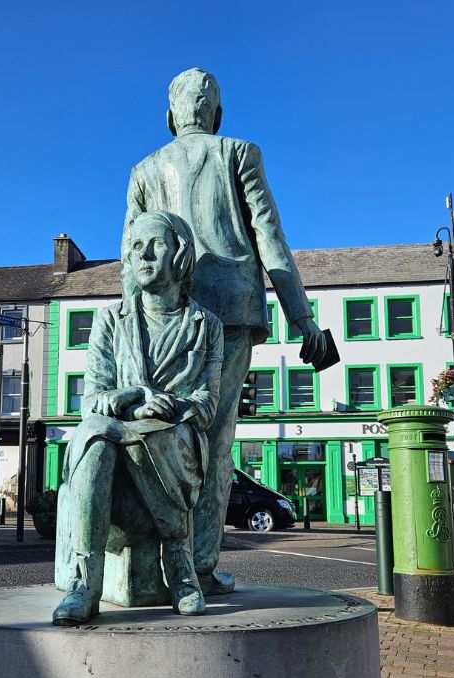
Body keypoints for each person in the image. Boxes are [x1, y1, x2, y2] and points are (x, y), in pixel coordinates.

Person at [124, 68, 333, 596]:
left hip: (163, 311)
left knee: (159, 432)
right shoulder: (239, 152)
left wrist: (129, 323)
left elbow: (132, 253)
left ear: (171, 116)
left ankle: (153, 565)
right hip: (234, 309)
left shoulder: (144, 169)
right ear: (215, 113)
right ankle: (198, 566)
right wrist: (301, 316)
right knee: (215, 442)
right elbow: (268, 232)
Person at [53, 211, 223, 625]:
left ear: (180, 256)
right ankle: (83, 582)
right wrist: (136, 397)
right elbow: (92, 398)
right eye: (135, 247)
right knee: (94, 434)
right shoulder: (111, 319)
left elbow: (207, 400)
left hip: (173, 438)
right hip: (116, 428)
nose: (144, 254)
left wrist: (170, 408)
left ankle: (179, 562)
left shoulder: (205, 325)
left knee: (152, 436)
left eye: (156, 245)